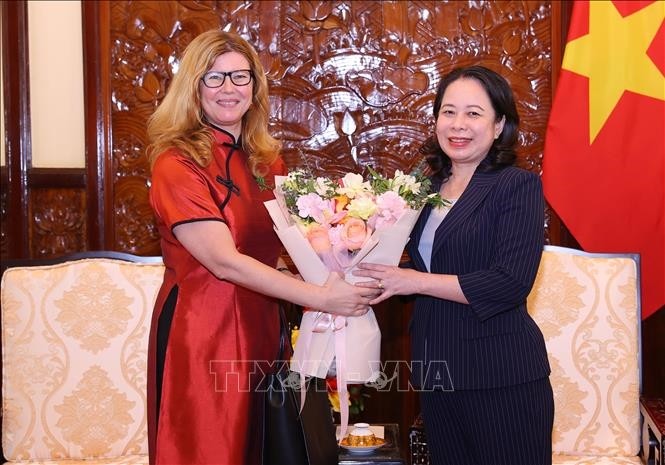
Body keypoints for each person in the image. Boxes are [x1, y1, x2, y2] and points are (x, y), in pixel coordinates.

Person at [145, 30, 378, 465]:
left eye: (239, 76)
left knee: (267, 447)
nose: (229, 88)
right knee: (212, 449)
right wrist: (321, 296)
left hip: (263, 326)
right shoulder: (176, 163)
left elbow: (280, 251)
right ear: (192, 87)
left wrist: (344, 266)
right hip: (202, 333)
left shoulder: (266, 161)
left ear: (255, 86)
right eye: (213, 78)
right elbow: (224, 261)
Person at [355, 65, 553, 465]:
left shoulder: (517, 186)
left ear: (499, 125)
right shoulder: (423, 190)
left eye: (474, 113)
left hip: (500, 376)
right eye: (448, 112)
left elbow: (509, 283)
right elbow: (402, 264)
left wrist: (415, 281)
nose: (458, 125)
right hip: (436, 374)